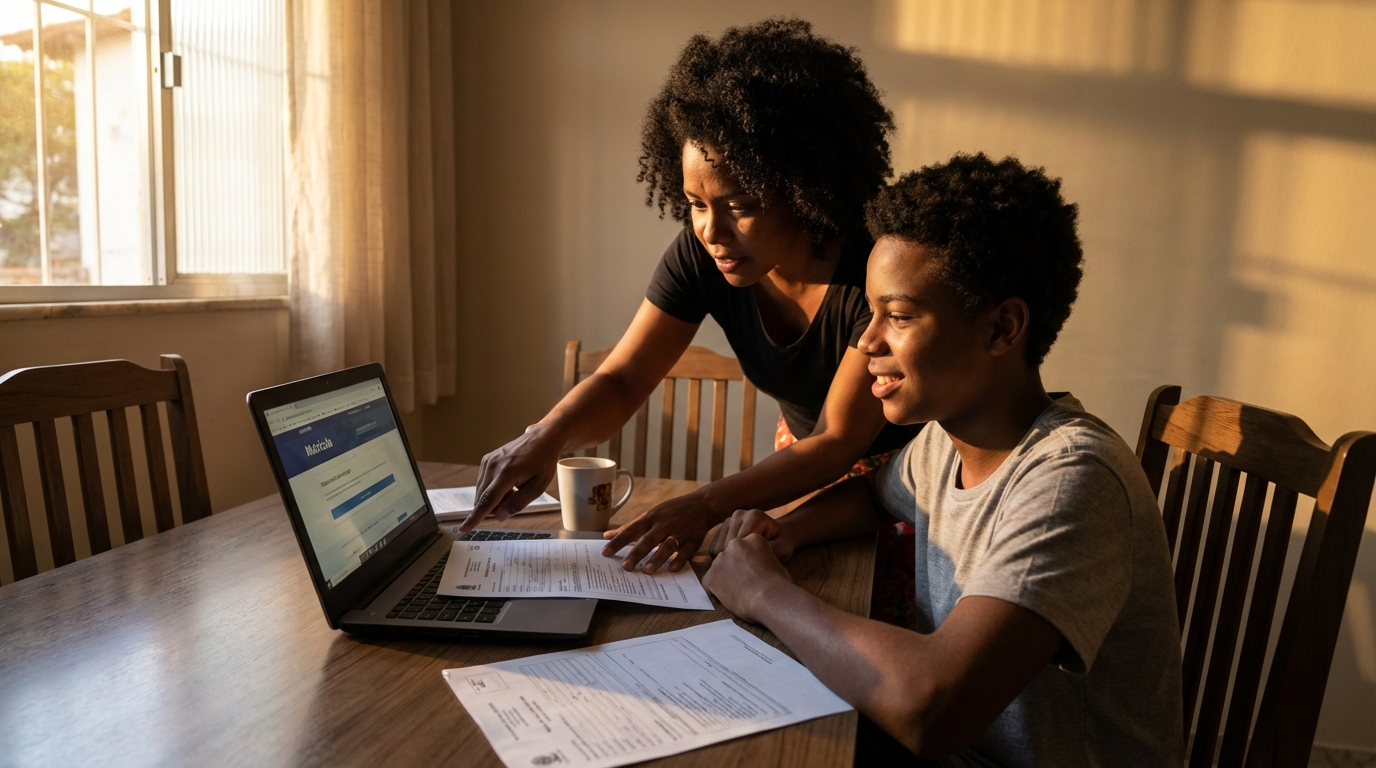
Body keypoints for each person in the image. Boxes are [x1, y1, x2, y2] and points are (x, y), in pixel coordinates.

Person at [703, 153, 1184, 764]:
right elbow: (874, 494)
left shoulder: (1072, 481)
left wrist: (764, 593)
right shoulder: (945, 442)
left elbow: (931, 707)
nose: (866, 340)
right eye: (871, 312)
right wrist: (789, 532)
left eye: (899, 316)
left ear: (1002, 329)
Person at [463, 18, 919, 575]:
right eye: (696, 204)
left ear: (806, 190)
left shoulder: (872, 272)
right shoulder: (705, 256)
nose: (710, 231)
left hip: (896, 492)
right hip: (801, 476)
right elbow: (624, 379)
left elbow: (837, 439)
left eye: (739, 206)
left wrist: (706, 504)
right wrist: (548, 433)